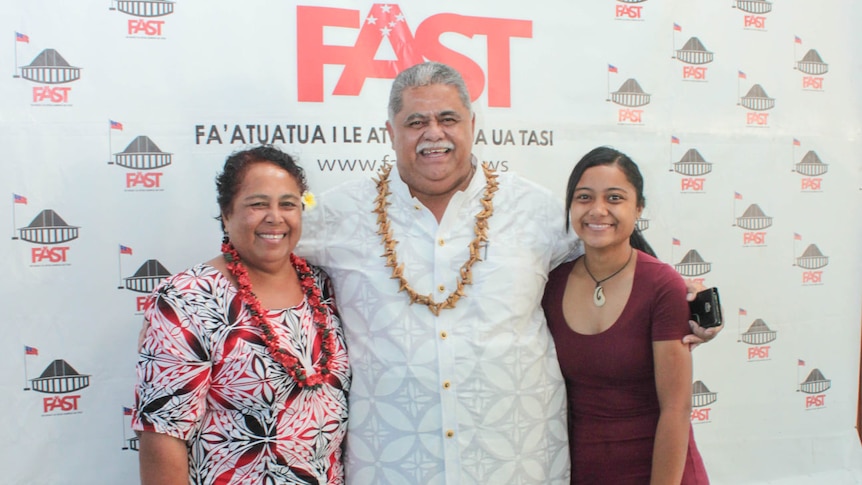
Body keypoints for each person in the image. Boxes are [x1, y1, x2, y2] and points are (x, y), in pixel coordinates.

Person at [297, 62, 717, 484]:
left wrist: (679, 297)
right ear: (390, 132)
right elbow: (264, 244)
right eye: (415, 122)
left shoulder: (533, 209)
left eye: (448, 119)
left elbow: (607, 244)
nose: (433, 133)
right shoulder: (337, 214)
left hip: (518, 465)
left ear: (473, 125)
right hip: (394, 465)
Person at [133, 146, 350, 485]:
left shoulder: (322, 287)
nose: (275, 217)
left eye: (288, 204)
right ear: (226, 214)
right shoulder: (188, 299)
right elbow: (163, 436)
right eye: (258, 204)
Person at [542, 146, 710, 484]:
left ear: (638, 209)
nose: (598, 210)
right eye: (584, 197)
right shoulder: (551, 283)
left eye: (615, 198)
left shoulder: (663, 286)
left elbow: (676, 410)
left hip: (662, 472)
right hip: (584, 471)